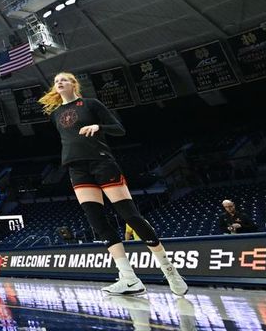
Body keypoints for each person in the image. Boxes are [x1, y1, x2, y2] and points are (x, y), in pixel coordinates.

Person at [39, 72, 188, 296]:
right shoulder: (56, 114)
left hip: (101, 162)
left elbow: (119, 128)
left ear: (74, 84)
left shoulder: (91, 104)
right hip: (76, 168)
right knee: (96, 220)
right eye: (56, 81)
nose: (59, 82)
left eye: (64, 79)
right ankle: (129, 278)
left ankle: (169, 271)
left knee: (130, 216)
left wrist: (99, 126)